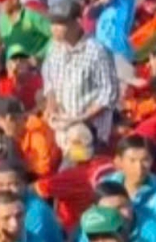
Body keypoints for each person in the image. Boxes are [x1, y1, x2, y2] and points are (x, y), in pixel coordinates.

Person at [39, 10, 118, 146]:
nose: (54, 29)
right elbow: (49, 80)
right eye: (53, 24)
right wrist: (51, 104)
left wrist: (81, 118)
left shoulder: (96, 50)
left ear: (77, 23)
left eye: (60, 24)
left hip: (91, 130)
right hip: (64, 127)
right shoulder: (54, 48)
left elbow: (108, 94)